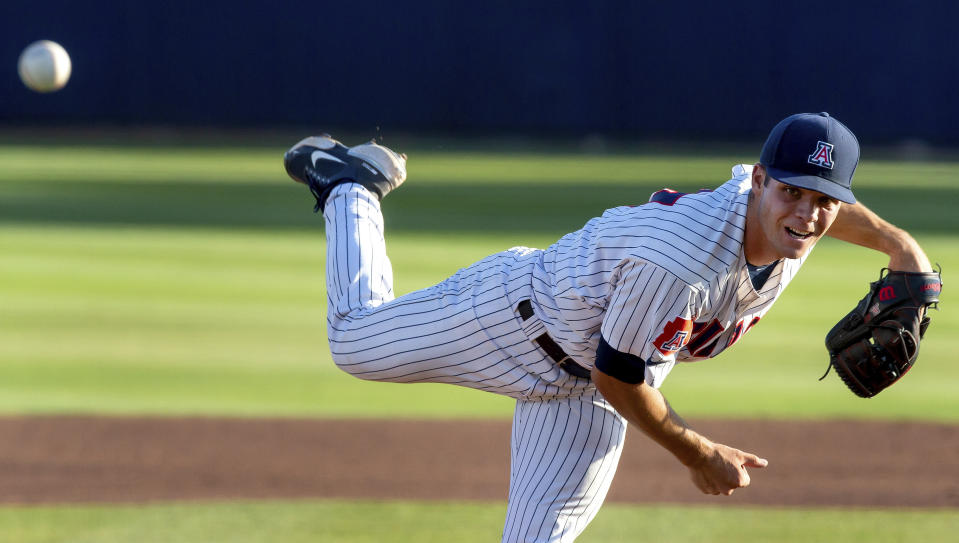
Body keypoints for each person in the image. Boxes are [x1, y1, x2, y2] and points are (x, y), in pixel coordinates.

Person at [282, 112, 932, 542]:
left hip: (584, 387)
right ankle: (351, 186)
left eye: (823, 199)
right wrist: (697, 454)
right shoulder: (680, 264)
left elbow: (831, 209)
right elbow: (619, 376)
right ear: (759, 181)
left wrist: (900, 245)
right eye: (790, 191)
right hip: (514, 319)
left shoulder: (795, 219)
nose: (806, 213)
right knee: (352, 341)